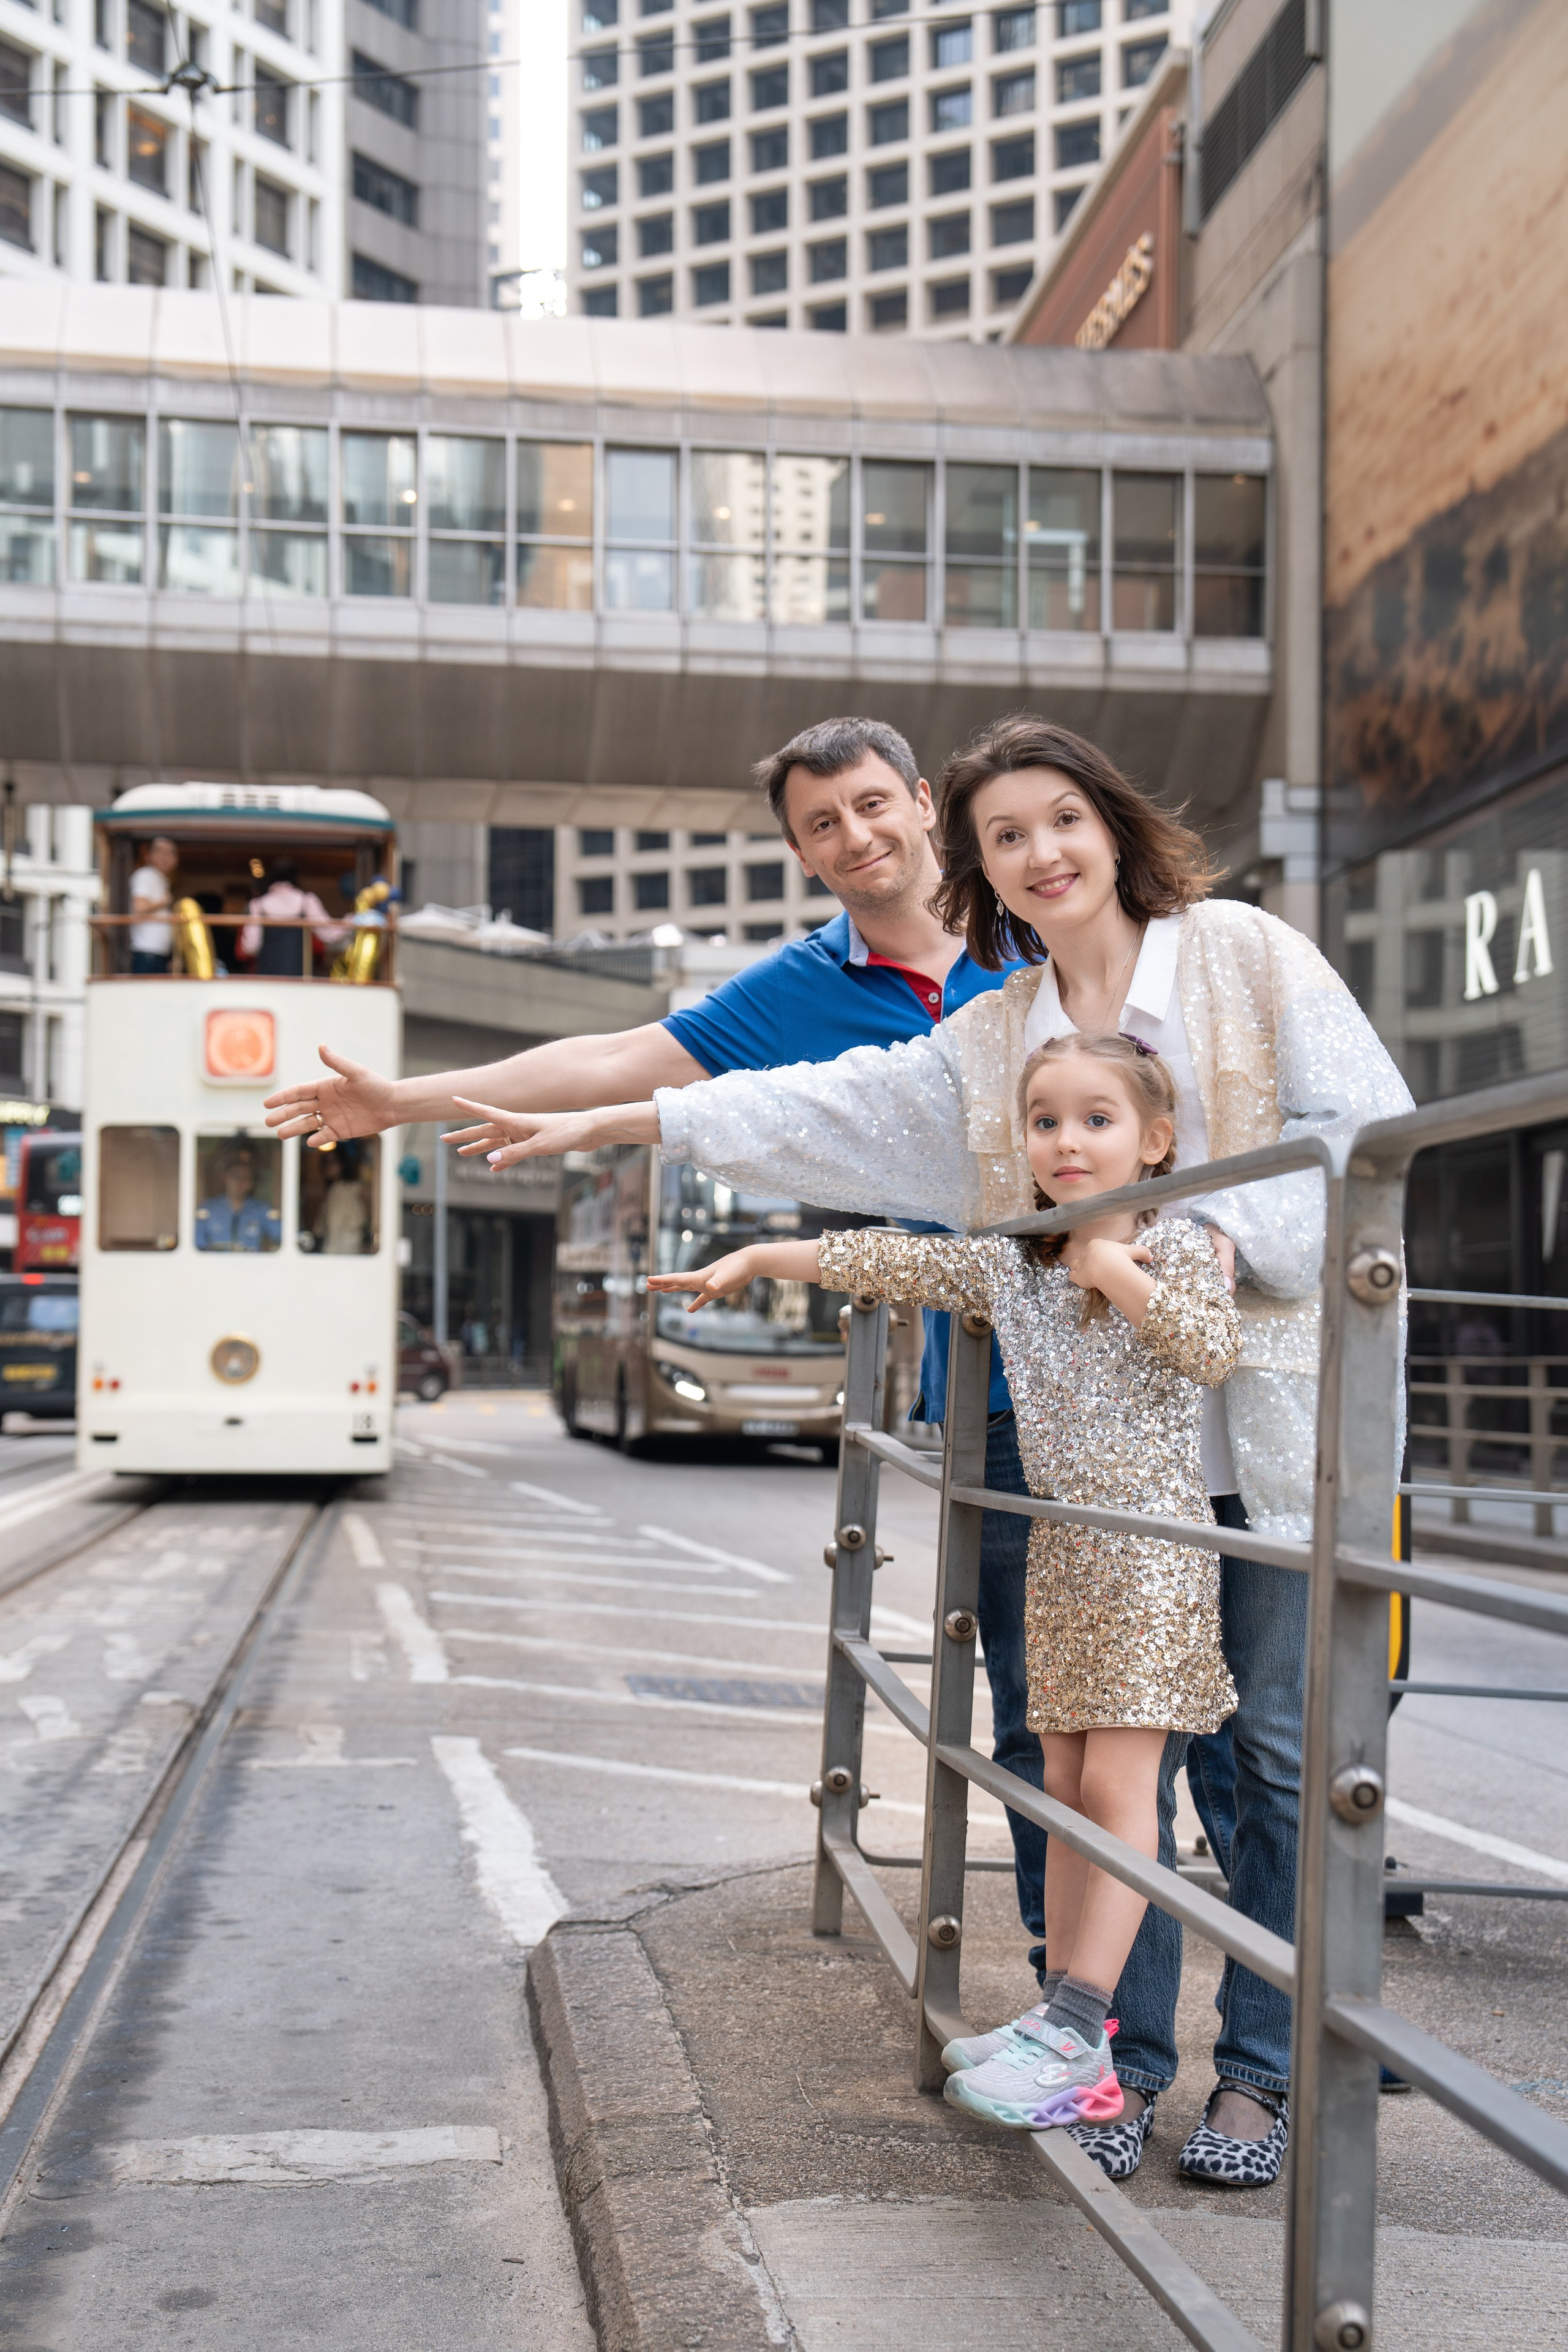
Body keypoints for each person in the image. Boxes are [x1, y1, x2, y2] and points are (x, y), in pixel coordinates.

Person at [436, 713, 1414, 2190]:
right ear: (979, 867)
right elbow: (803, 1109)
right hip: (1082, 1467)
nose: (1038, 854)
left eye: (1059, 821)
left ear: (1110, 823)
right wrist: (587, 1123)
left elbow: (1371, 1140)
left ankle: (1262, 2074)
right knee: (1084, 1764)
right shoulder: (994, 1031)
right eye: (1005, 837)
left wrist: (1187, 1229)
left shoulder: (1243, 953)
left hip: (1271, 1432)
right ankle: (1115, 2069)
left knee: (1270, 1764)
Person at [261, 717, 1063, 1977]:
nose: (852, 838)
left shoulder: (1036, 913)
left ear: (919, 801)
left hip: (1136, 1338)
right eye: (818, 825)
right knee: (1031, 1709)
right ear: (800, 851)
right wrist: (403, 1104)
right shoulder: (802, 986)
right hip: (994, 1381)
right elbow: (609, 1059)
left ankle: (1275, 2007)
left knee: (1211, 1688)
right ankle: (1076, 2002)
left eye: (868, 806)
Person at [643, 1033, 1240, 2136]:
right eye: (1046, 1119)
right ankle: (1081, 2042)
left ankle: (1075, 2022)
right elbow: (882, 1262)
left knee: (1118, 1798)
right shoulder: (1012, 1261)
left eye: (1097, 1119)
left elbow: (1211, 1351)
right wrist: (763, 1259)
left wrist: (1109, 1268)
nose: (1067, 1140)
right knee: (1063, 1794)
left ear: (1155, 1141)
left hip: (1153, 1557)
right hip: (1067, 1556)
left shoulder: (1177, 1243)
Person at [239, 858, 348, 977]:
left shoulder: (259, 905)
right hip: (299, 976)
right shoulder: (306, 901)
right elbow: (329, 934)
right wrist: (350, 920)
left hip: (267, 976)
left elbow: (251, 947)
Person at [194, 1145, 281, 1253]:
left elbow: (281, 1236)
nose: (240, 1183)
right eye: (235, 1177)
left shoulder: (262, 1210)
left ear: (252, 1182)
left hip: (252, 1265)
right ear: (225, 1178)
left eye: (246, 1178)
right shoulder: (208, 1209)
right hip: (216, 1265)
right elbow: (197, 1243)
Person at [129, 837, 178, 974]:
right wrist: (163, 902)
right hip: (147, 952)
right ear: (148, 855)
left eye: (170, 853)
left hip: (158, 953)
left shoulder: (161, 879)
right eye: (160, 852)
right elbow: (139, 907)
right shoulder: (145, 875)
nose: (165, 857)